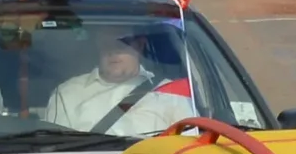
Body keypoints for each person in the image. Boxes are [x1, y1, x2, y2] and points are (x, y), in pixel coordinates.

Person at [45, 29, 198, 139]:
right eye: (106, 44)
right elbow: (54, 148)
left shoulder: (169, 93)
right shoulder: (68, 93)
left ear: (139, 45)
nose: (113, 51)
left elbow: (189, 147)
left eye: (121, 44)